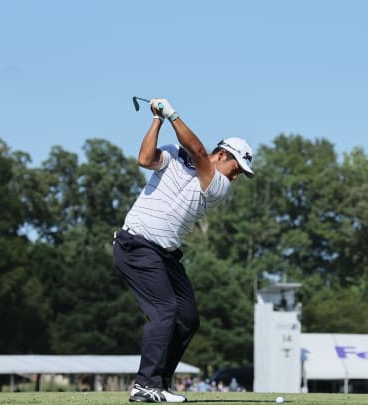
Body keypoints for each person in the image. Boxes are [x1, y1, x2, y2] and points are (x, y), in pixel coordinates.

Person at [113, 98, 255, 403]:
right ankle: (144, 385)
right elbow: (145, 159)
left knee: (188, 318)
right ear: (223, 155)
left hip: (165, 254)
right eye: (236, 168)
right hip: (136, 244)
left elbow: (198, 152)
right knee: (164, 311)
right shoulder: (176, 155)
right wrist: (157, 120)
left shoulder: (218, 185)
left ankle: (159, 383)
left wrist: (172, 113)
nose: (235, 177)